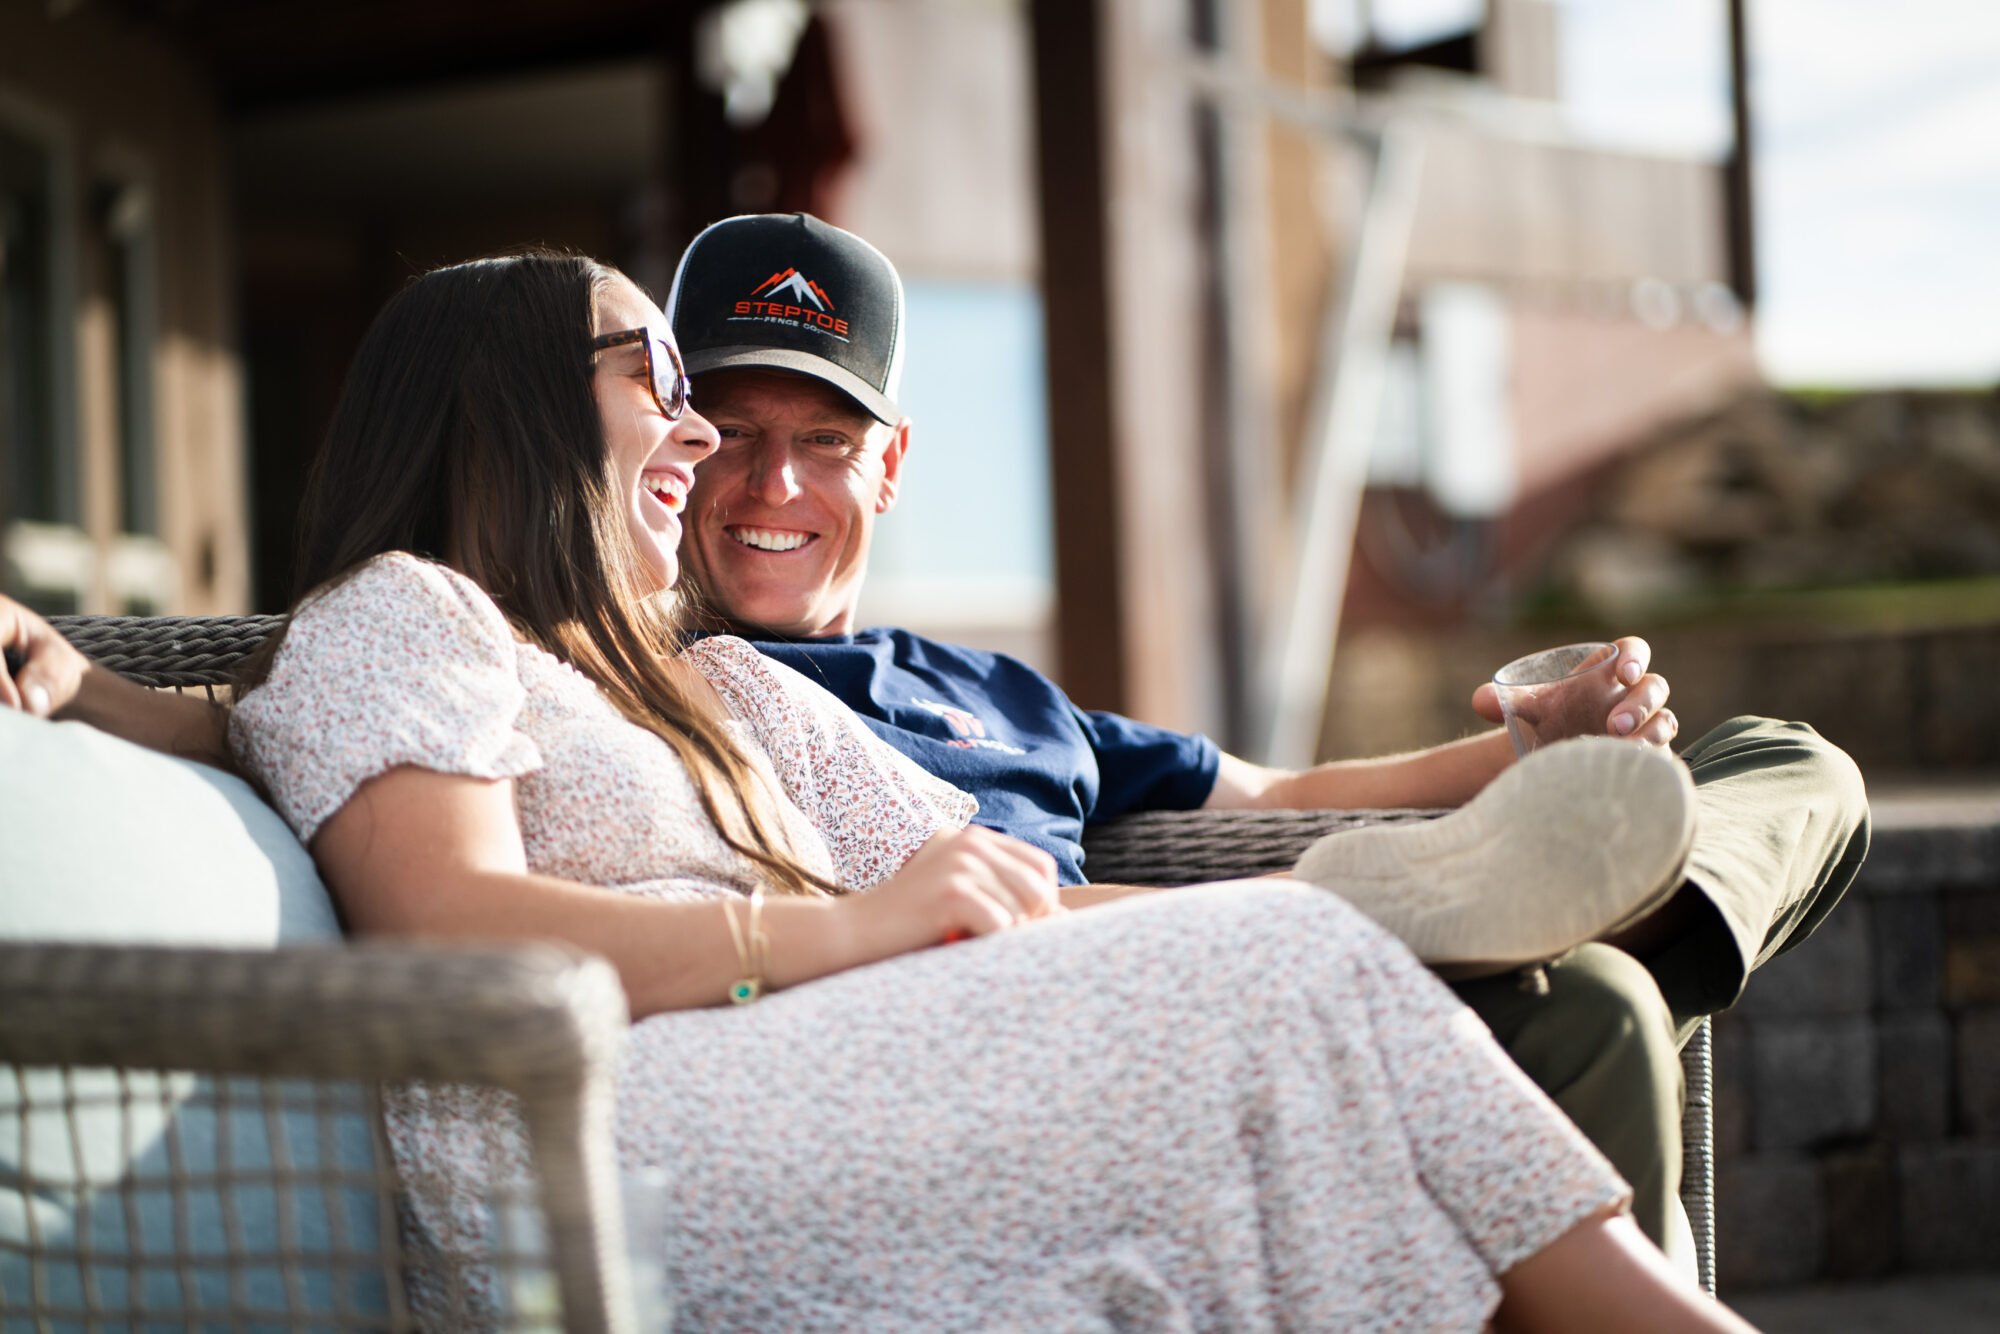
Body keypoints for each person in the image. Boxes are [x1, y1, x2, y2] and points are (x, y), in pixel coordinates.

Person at [0, 248, 1767, 1331]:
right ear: (512, 405)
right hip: (604, 1135)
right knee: (1300, 983)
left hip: (821, 1064)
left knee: (1311, 998)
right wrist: (835, 932)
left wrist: (1186, 933)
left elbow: (993, 889)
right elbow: (443, 922)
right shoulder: (412, 614)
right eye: (661, 387)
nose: (701, 436)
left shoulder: (711, 677)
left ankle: (1373, 933)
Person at [659, 212, 1872, 1258]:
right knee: (1595, 1001)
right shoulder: (645, 691)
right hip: (1099, 1042)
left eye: (826, 439)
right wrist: (1297, 915)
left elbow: (1275, 793)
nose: (775, 485)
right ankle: (1532, 919)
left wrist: (1531, 743)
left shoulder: (994, 690)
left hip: (1279, 970)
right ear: (672, 449)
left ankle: (1624, 905)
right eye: (733, 432)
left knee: (1783, 756)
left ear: (889, 465)